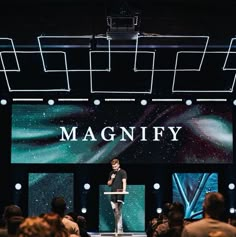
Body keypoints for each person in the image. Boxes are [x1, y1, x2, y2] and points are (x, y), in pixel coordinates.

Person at [107, 158, 127, 234]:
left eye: (115, 166)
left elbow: (124, 182)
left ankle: (119, 229)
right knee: (115, 212)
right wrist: (112, 178)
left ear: (118, 165)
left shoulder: (123, 172)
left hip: (119, 194)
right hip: (112, 194)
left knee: (118, 211)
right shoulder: (111, 173)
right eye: (113, 167)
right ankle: (118, 229)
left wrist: (124, 191)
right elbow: (109, 184)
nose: (114, 168)